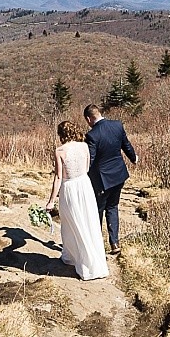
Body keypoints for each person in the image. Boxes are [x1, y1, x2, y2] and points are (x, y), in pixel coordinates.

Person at [45, 120, 109, 281]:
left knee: (72, 224)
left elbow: (58, 177)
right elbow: (87, 168)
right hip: (84, 185)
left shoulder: (60, 151)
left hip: (70, 188)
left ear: (61, 134)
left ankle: (78, 259)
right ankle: (91, 261)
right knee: (88, 222)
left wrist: (51, 200)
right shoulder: (84, 146)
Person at [83, 104, 138, 255]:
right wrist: (134, 158)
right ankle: (114, 243)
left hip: (102, 179)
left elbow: (91, 159)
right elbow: (126, 145)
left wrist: (81, 174)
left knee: (98, 210)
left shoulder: (92, 135)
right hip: (119, 174)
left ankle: (96, 245)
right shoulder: (117, 125)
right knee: (113, 207)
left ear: (89, 119)